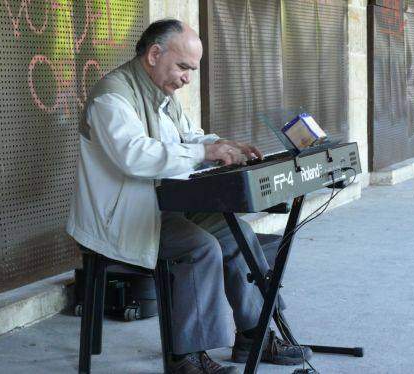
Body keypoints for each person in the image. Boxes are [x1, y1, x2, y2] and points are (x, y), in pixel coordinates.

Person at [67, 19, 312, 374]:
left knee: (237, 234)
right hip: (118, 218)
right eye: (183, 67)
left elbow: (189, 137)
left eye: (191, 70)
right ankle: (187, 357)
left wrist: (222, 146)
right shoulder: (112, 96)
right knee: (200, 248)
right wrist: (205, 153)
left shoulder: (161, 94)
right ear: (154, 54)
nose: (186, 78)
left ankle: (253, 334)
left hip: (161, 205)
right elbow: (134, 155)